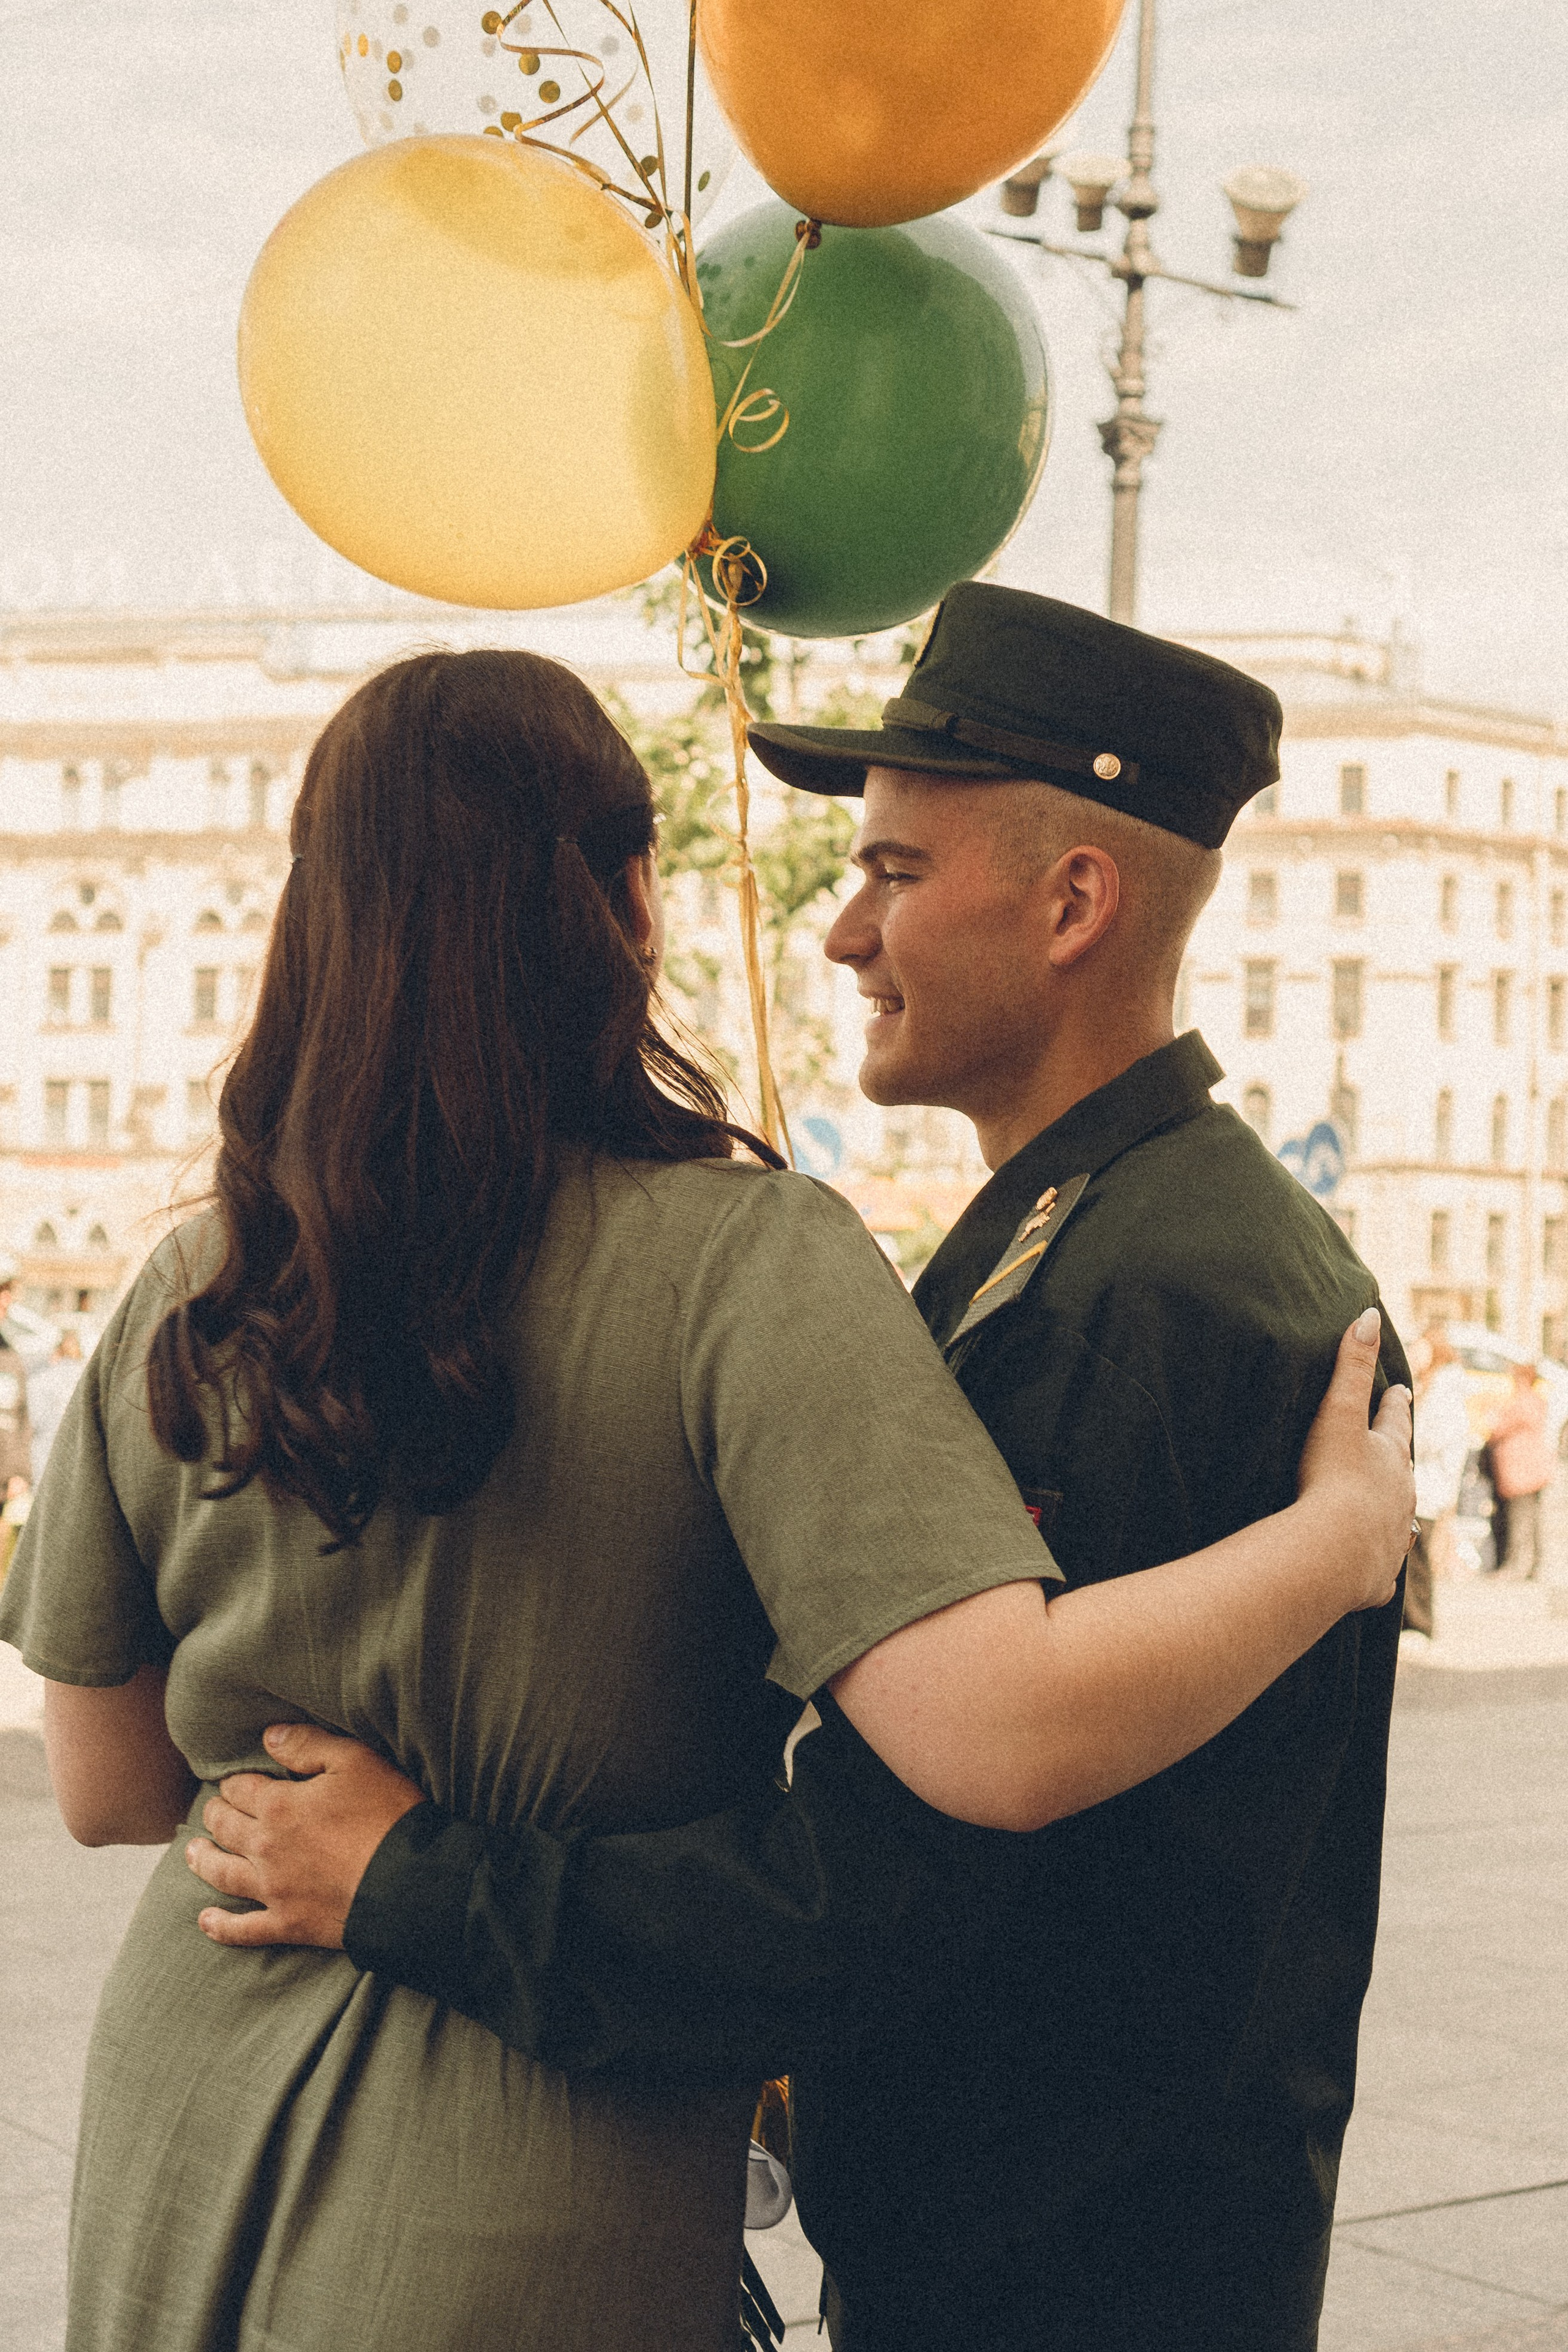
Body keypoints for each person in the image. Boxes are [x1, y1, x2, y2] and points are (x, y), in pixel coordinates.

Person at [0, 643, 1411, 2352]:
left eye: (893, 869)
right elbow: (993, 1734)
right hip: (526, 2172)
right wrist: (1339, 1545)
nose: (837, 926)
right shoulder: (756, 1259)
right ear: (629, 906)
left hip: (189, 2112)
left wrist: (383, 1845)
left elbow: (105, 1782)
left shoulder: (196, 1275)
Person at [1406, 1327, 1470, 1635]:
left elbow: (1435, 1438)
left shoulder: (1445, 1388)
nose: (1414, 1357)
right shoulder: (1431, 1385)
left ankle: (1421, 1624)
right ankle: (1414, 1622)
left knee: (1418, 1560)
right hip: (1424, 1484)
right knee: (1412, 1557)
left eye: (1421, 1350)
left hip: (1429, 1486)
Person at [1488, 1359, 1553, 1580]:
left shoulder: (1522, 1402)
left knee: (1520, 1522)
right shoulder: (1535, 1400)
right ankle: (1532, 1565)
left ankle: (1517, 1566)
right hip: (1530, 1472)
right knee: (1530, 1521)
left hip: (1521, 1473)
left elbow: (1498, 1428)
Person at [25, 1325, 84, 1479]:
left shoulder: (39, 1380)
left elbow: (32, 1421)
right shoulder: (86, 1381)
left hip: (44, 1459)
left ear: (56, 1351)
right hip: (78, 1461)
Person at [0, 1263, 32, 1496]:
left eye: (8, 1292)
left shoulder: (11, 1358)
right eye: (1, 1291)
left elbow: (21, 1418)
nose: (6, 1301)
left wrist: (20, 1473)